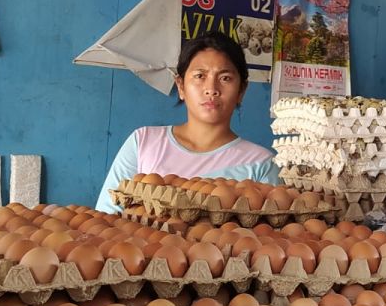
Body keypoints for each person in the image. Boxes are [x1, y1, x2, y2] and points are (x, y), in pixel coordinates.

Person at [95, 31, 278, 212]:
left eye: (225, 78)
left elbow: (268, 237)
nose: (211, 89)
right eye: (200, 76)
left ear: (241, 91)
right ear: (180, 86)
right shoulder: (144, 142)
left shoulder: (261, 164)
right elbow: (106, 218)